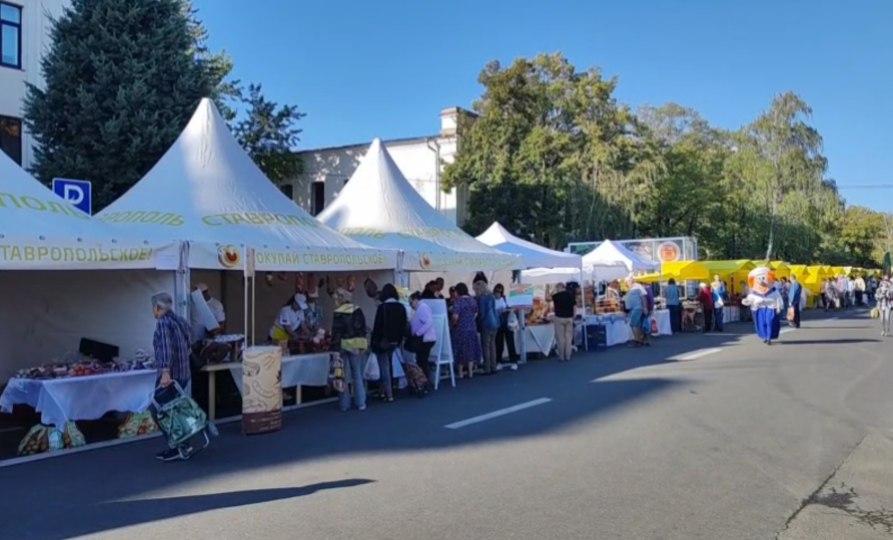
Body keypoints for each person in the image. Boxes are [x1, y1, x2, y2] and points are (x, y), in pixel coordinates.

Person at [150, 292, 194, 462]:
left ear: (157, 308)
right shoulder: (179, 320)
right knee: (175, 410)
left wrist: (165, 371)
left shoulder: (163, 322)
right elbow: (190, 342)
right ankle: (185, 444)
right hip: (183, 374)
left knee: (158, 411)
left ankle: (177, 446)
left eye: (153, 308)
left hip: (171, 376)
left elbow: (167, 348)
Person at [331, 288, 368, 412]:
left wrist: (335, 349)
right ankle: (361, 403)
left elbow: (336, 332)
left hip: (342, 345)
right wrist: (362, 344)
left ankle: (344, 404)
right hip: (356, 345)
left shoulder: (338, 312)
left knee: (342, 375)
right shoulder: (358, 309)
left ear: (340, 299)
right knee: (357, 374)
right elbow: (363, 328)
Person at [371, 284, 407, 402]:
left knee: (384, 366)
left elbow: (377, 327)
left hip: (383, 341)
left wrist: (373, 343)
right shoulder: (401, 307)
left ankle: (389, 393)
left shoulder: (382, 308)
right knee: (389, 364)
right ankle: (383, 391)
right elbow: (404, 325)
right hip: (395, 341)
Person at [741, 267, 784, 345]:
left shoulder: (773, 290)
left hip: (771, 307)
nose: (761, 280)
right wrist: (746, 301)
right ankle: (765, 336)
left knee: (769, 322)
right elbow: (750, 299)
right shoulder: (754, 292)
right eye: (759, 278)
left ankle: (768, 338)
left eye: (763, 278)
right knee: (762, 323)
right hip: (760, 308)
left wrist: (779, 306)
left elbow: (778, 298)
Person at [451, 282, 481, 378]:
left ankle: (460, 373)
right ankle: (470, 372)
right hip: (472, 327)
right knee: (471, 348)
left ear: (458, 291)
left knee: (461, 350)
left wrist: (454, 323)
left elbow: (455, 316)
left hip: (461, 329)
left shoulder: (458, 302)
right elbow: (476, 312)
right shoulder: (472, 300)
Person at [474, 279, 500, 375]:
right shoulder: (492, 296)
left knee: (486, 346)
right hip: (495, 322)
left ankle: (487, 368)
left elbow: (482, 313)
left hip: (486, 323)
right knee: (492, 345)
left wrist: (479, 321)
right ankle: (494, 366)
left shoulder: (482, 298)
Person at [409, 292, 437, 381]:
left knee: (422, 361)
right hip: (425, 338)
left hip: (425, 339)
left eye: (411, 301)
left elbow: (428, 322)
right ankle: (424, 381)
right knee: (421, 360)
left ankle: (424, 381)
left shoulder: (422, 307)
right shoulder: (421, 308)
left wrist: (418, 333)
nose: (411, 304)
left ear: (416, 300)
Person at [493, 283, 519, 370]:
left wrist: (506, 310)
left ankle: (514, 361)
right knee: (499, 344)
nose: (498, 293)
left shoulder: (505, 298)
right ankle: (499, 362)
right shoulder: (492, 300)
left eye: (499, 292)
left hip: (507, 322)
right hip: (498, 324)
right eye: (496, 291)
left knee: (510, 343)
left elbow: (512, 308)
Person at [551, 282, 576, 361]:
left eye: (557, 288)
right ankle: (568, 356)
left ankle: (561, 357)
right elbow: (574, 306)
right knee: (568, 338)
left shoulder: (556, 296)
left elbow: (547, 298)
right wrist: (574, 316)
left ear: (559, 287)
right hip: (569, 318)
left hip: (559, 318)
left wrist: (552, 290)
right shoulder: (571, 295)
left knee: (560, 338)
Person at [623, 278, 649, 347]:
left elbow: (643, 298)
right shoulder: (633, 289)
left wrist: (645, 307)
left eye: (627, 282)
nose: (626, 284)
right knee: (637, 325)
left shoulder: (637, 288)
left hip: (637, 308)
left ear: (630, 281)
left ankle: (637, 341)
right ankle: (640, 340)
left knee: (633, 324)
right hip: (635, 308)